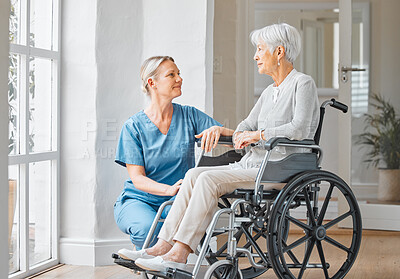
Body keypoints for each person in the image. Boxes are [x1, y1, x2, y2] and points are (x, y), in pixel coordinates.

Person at [127, 23, 320, 272]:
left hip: (280, 168)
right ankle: (163, 244)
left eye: (260, 49)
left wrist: (257, 135)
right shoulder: (269, 92)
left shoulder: (302, 84)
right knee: (193, 174)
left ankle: (180, 252)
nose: (256, 55)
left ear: (279, 52)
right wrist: (228, 132)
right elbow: (244, 127)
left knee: (207, 179)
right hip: (254, 164)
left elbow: (300, 129)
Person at [114, 56, 234, 254]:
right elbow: (137, 179)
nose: (179, 78)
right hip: (139, 199)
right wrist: (168, 189)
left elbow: (234, 136)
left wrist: (218, 130)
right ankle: (145, 256)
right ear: (152, 83)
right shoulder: (133, 127)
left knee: (176, 228)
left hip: (179, 199)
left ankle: (159, 261)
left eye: (179, 73)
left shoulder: (189, 115)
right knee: (146, 229)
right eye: (171, 75)